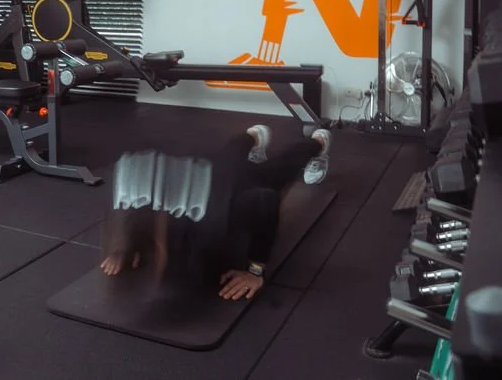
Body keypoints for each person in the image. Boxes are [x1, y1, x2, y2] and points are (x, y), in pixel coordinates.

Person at [100, 125, 331, 302]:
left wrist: (255, 271)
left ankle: (319, 141)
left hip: (241, 183)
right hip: (209, 170)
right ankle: (254, 135)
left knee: (280, 168)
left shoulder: (226, 215)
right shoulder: (144, 207)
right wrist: (125, 249)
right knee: (229, 154)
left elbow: (267, 201)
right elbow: (130, 215)